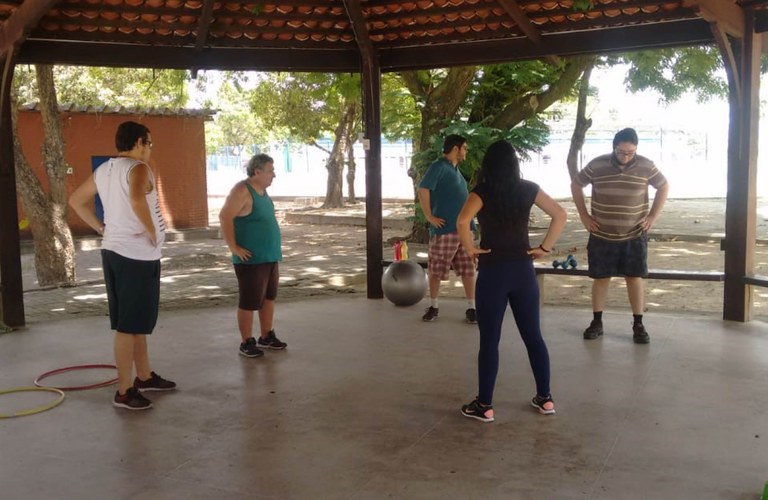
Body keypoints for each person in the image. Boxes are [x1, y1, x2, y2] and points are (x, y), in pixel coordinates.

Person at [69, 121, 176, 411]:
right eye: (149, 143)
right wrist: (152, 231)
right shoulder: (138, 168)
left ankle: (144, 376)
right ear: (138, 142)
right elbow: (137, 200)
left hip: (115, 252)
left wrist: (102, 228)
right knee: (128, 327)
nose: (150, 149)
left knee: (135, 322)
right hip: (136, 256)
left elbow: (76, 201)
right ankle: (124, 391)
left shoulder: (105, 169)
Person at [457, 140, 566, 423]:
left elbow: (462, 221)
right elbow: (560, 214)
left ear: (488, 165)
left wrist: (470, 249)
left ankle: (485, 405)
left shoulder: (482, 191)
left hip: (493, 271)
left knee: (489, 340)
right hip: (523, 271)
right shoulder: (529, 188)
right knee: (533, 337)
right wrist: (544, 248)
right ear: (515, 164)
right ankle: (545, 398)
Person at [571, 127, 669, 344]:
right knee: (601, 279)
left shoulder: (646, 165)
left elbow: (663, 186)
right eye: (621, 152)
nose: (625, 156)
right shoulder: (597, 165)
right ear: (614, 148)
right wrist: (584, 215)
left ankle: (638, 323)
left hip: (634, 234)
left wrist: (652, 216)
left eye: (630, 153)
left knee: (634, 278)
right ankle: (597, 322)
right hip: (601, 233)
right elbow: (576, 184)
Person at [219, 153, 287, 358]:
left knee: (268, 297)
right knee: (249, 301)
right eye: (270, 171)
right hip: (251, 259)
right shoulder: (242, 190)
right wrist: (234, 248)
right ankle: (246, 341)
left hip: (269, 256)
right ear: (257, 172)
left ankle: (266, 336)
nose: (274, 175)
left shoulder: (263, 192)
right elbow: (224, 216)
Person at [417, 134, 477, 323]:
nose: (466, 151)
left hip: (464, 229)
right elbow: (423, 188)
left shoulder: (456, 170)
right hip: (445, 229)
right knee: (437, 268)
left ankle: (472, 308)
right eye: (464, 147)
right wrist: (429, 216)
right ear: (455, 148)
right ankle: (434, 306)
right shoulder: (439, 166)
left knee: (468, 269)